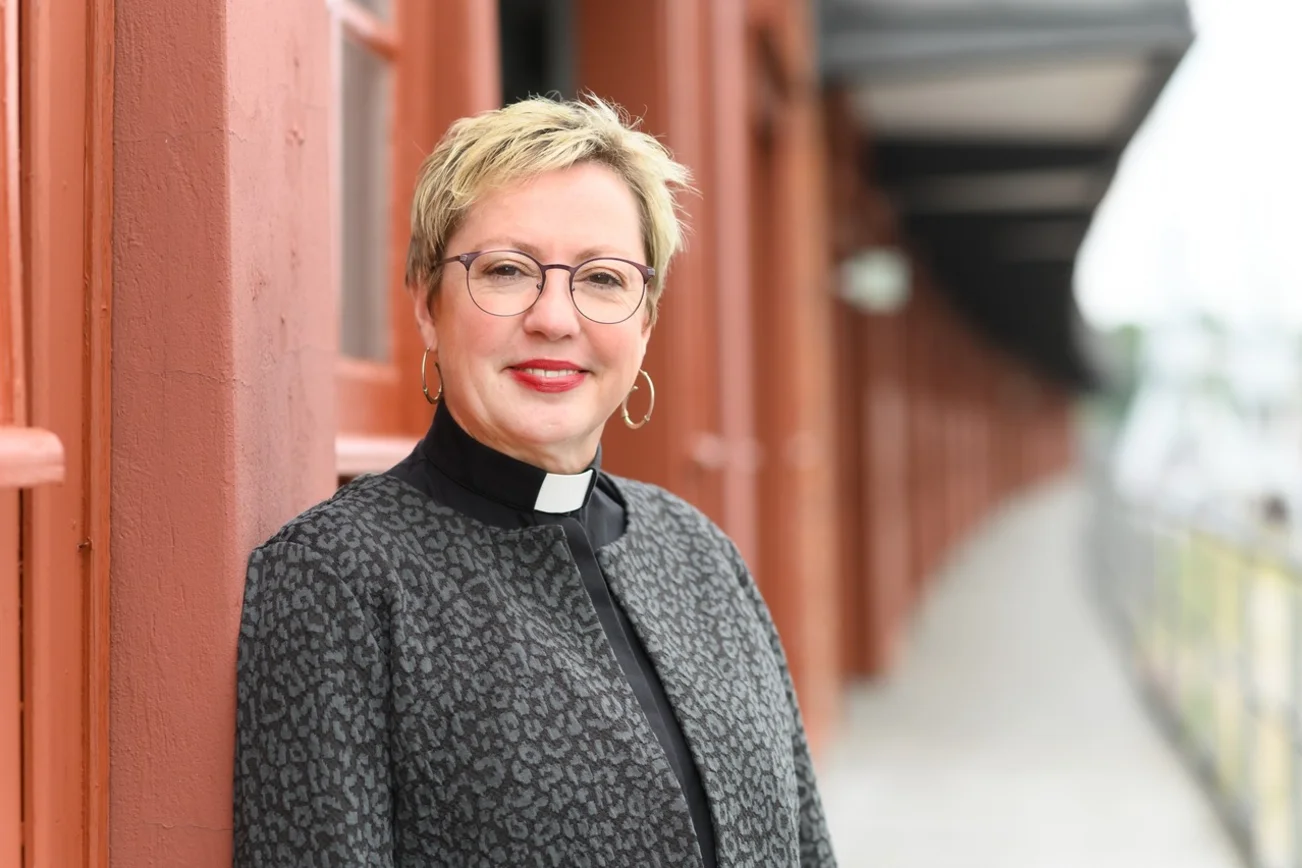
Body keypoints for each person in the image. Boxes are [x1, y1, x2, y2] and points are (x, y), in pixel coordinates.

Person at [233, 95, 837, 867]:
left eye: (604, 279)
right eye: (509, 270)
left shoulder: (700, 555)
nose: (556, 317)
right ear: (426, 304)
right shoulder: (338, 577)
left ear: (644, 320)